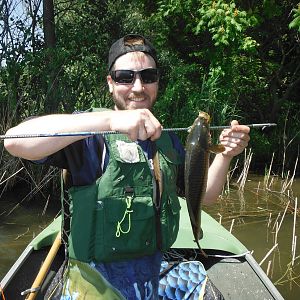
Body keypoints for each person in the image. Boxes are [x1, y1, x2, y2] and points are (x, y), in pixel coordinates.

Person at [4, 34, 250, 299]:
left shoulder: (169, 143)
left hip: (151, 276)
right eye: (125, 77)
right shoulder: (88, 135)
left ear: (157, 83)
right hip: (93, 283)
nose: (137, 86)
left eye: (148, 76)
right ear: (110, 84)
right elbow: (14, 141)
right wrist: (110, 122)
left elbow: (207, 196)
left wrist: (226, 155)